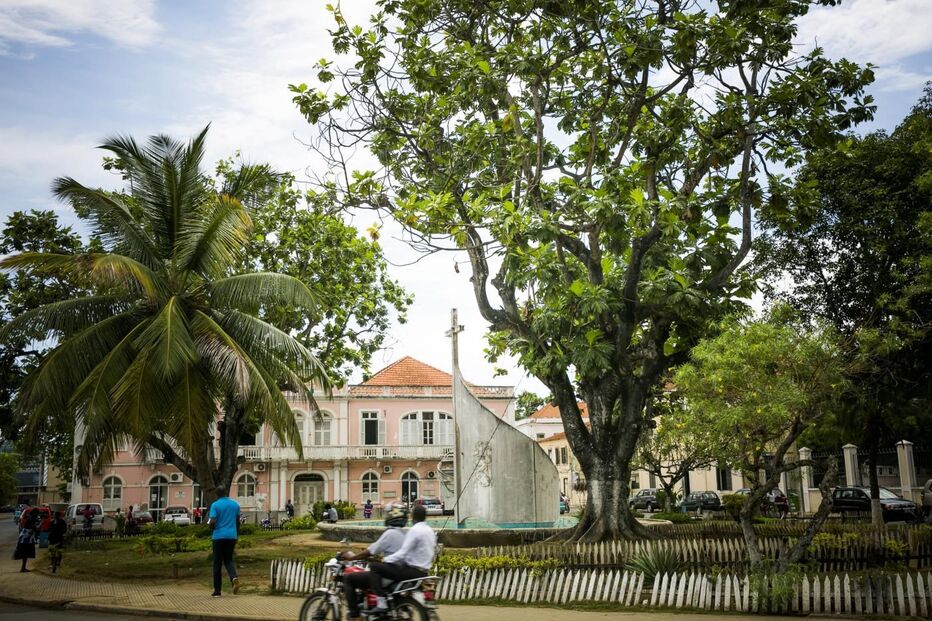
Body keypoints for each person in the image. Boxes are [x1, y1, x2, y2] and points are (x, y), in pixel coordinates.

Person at [341, 504, 408, 621]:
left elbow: (370, 551)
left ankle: (355, 615)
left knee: (349, 579)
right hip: (399, 573)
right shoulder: (405, 534)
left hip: (388, 575)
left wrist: (351, 558)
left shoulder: (390, 533)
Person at [368, 504, 436, 611]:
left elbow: (402, 553)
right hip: (424, 572)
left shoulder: (414, 530)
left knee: (375, 567)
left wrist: (385, 559)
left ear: (413, 516)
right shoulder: (430, 530)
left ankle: (381, 603)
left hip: (411, 571)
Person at [207, 488, 241, 597]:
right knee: (228, 560)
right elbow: (237, 521)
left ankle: (217, 591)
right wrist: (236, 533)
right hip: (232, 536)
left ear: (217, 495)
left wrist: (211, 527)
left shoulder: (215, 505)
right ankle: (234, 577)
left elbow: (212, 520)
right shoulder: (235, 505)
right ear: (226, 494)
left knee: (217, 563)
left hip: (218, 536)